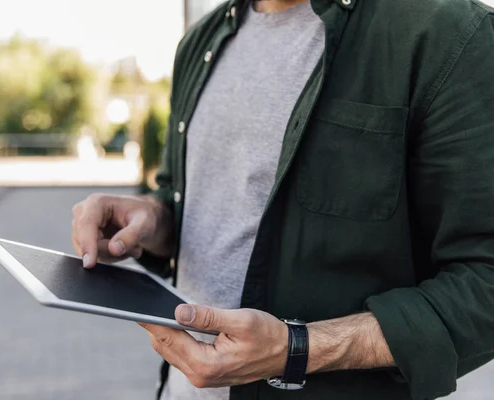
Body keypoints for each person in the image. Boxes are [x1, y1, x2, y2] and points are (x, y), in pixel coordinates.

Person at [71, 0, 494, 398]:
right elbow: (206, 200)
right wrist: (156, 220)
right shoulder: (201, 41)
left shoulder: (447, 33)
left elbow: (485, 278)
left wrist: (298, 349)